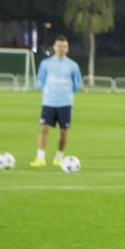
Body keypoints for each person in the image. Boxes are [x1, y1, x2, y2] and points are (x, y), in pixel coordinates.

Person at [31, 36, 82, 168]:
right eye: (59, 46)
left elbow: (77, 84)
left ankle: (59, 157)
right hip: (49, 102)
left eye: (64, 46)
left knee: (64, 131)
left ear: (67, 48)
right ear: (54, 47)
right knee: (43, 129)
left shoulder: (73, 66)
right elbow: (40, 81)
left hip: (65, 103)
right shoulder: (46, 63)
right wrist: (49, 92)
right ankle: (40, 158)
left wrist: (66, 93)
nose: (61, 49)